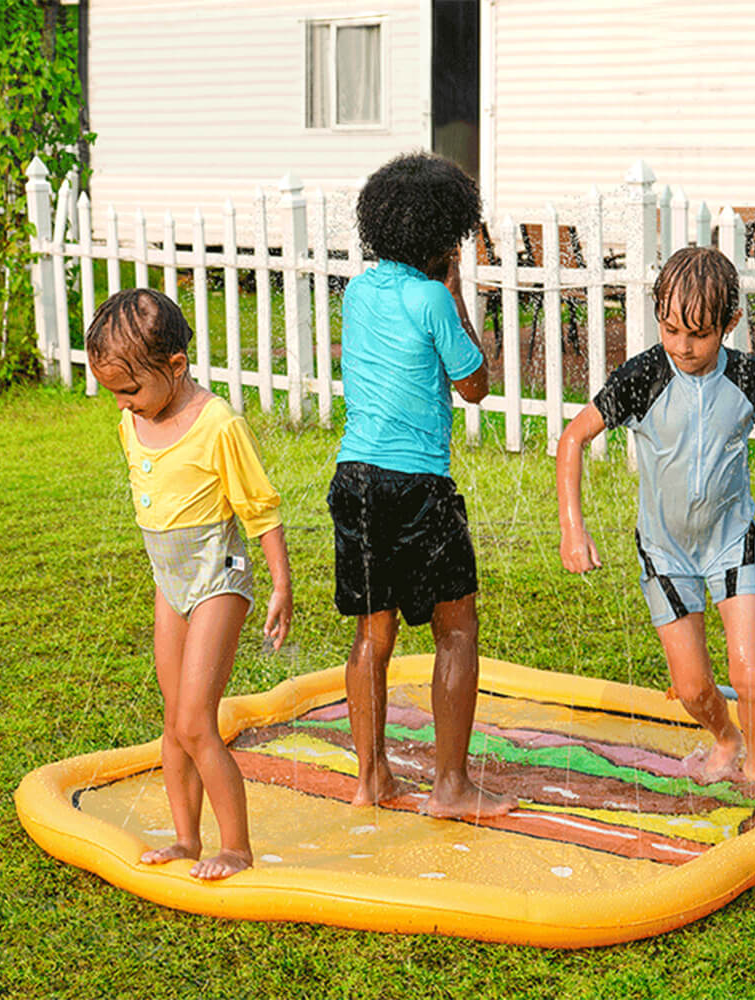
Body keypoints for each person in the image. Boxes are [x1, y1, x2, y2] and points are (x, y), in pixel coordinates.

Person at [556, 246, 755, 804]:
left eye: (699, 335)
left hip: (731, 544)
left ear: (729, 323)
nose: (683, 346)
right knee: (692, 687)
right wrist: (572, 526)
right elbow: (572, 438)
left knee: (751, 672)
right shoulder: (645, 376)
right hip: (666, 553)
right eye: (672, 329)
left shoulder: (750, 377)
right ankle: (723, 738)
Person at [328, 152, 515, 819]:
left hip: (354, 480)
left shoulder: (360, 290)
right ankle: (452, 787)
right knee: (456, 630)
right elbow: (474, 387)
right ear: (443, 234)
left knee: (372, 634)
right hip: (418, 486)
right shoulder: (433, 296)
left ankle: (371, 777)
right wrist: (457, 290)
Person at [85, 288, 293, 879]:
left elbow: (260, 508)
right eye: (116, 394)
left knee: (197, 721)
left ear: (175, 366)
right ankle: (185, 838)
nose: (124, 405)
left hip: (216, 579)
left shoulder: (218, 424)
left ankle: (236, 847)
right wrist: (133, 404)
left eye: (131, 390)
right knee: (173, 718)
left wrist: (280, 584)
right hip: (168, 581)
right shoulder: (134, 422)